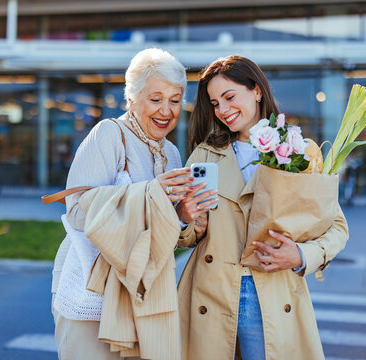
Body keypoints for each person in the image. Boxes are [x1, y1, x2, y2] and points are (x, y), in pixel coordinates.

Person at [176, 56, 349, 360]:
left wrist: (300, 255)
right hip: (211, 294)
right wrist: (185, 219)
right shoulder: (204, 156)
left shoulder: (299, 150)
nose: (224, 110)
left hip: (273, 292)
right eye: (215, 103)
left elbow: (336, 227)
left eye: (230, 97)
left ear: (256, 90)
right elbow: (189, 236)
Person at [50, 48, 215, 359]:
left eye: (175, 100)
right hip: (94, 294)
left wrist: (183, 216)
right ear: (132, 99)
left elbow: (161, 235)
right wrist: (150, 195)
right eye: (156, 99)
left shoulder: (173, 155)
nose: (166, 110)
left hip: (142, 293)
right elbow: (77, 211)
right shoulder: (109, 135)